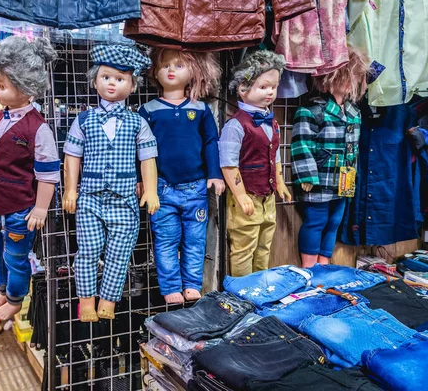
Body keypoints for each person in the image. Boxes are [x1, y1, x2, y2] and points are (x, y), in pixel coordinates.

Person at [62, 44, 160, 322]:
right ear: (95, 80)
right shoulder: (84, 119)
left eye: (120, 78)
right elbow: (72, 157)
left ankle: (108, 301)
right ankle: (86, 301)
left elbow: (148, 158)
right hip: (90, 198)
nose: (112, 83)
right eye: (106, 77)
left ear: (132, 86)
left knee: (120, 253)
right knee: (88, 252)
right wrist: (70, 189)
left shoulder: (137, 122)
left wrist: (150, 189)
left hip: (125, 199)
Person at [0, 36, 60, 321]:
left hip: (19, 208)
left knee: (16, 256)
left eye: (2, 86)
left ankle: (15, 298)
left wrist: (40, 208)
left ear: (27, 88)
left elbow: (48, 173)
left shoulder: (38, 129)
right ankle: (3, 289)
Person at [140, 48, 224, 304]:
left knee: (195, 240)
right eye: (165, 65)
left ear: (193, 71)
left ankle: (191, 284)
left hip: (196, 188)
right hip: (161, 189)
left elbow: (211, 142)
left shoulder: (201, 110)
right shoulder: (148, 111)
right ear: (155, 72)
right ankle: (170, 287)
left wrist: (215, 174)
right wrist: (142, 180)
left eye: (178, 65)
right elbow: (140, 150)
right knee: (165, 241)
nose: (171, 70)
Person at [291, 47, 370, 268]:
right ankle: (309, 266)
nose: (349, 83)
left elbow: (353, 148)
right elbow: (302, 144)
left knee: (335, 221)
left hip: (345, 177)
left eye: (353, 78)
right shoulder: (312, 110)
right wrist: (306, 175)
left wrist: (354, 174)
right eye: (345, 77)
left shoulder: (354, 112)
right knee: (316, 221)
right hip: (320, 178)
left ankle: (324, 263)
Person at [219, 50, 292, 277]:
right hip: (247, 194)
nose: (270, 92)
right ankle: (242, 291)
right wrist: (240, 195)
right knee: (244, 245)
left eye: (274, 86)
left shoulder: (273, 123)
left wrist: (279, 182)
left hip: (267, 196)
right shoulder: (236, 125)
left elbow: (275, 155)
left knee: (264, 243)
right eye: (263, 87)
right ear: (243, 89)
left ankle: (261, 284)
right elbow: (229, 164)